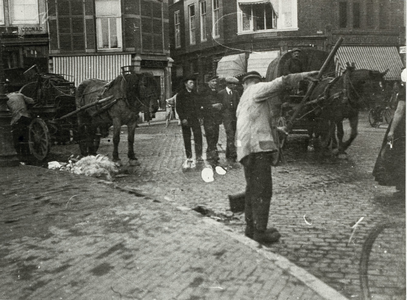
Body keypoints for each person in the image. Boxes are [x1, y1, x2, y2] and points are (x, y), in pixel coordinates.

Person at [236, 70, 319, 244]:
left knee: (252, 190)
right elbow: (281, 82)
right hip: (257, 151)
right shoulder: (256, 89)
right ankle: (260, 232)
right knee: (263, 191)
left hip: (246, 151)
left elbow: (254, 123)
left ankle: (251, 228)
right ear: (255, 81)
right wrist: (304, 76)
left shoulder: (243, 100)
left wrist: (277, 131)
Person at [373, 69, 406, 196]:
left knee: (397, 154)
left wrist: (391, 131)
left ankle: (402, 186)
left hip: (403, 126)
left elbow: (399, 111)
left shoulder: (404, 92)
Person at [176, 76, 203, 168]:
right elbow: (178, 108)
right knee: (187, 138)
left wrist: (200, 116)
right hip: (186, 120)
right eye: (190, 83)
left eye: (193, 83)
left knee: (198, 137)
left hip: (195, 118)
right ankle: (189, 156)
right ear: (185, 84)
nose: (192, 85)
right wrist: (182, 118)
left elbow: (199, 106)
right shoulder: (181, 95)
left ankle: (199, 155)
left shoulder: (196, 94)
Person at [199, 76, 223, 167]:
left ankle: (211, 154)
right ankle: (213, 156)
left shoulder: (217, 92)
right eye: (212, 81)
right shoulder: (204, 92)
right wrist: (213, 106)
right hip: (208, 118)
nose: (214, 83)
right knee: (210, 136)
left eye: (215, 81)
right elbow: (202, 106)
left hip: (216, 118)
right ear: (208, 82)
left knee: (215, 136)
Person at [218, 76, 240, 164]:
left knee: (232, 134)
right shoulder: (221, 93)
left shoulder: (236, 93)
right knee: (230, 133)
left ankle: (228, 152)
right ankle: (233, 154)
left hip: (234, 117)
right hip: (226, 117)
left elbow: (238, 104)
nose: (234, 86)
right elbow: (220, 106)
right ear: (228, 84)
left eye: (234, 84)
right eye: (232, 84)